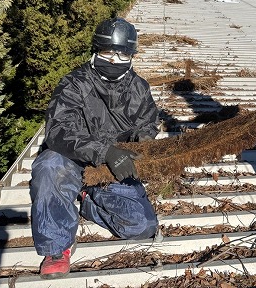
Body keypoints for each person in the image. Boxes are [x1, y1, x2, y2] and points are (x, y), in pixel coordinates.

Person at [30, 17, 161, 279]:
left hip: (112, 164)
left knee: (142, 226)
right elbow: (59, 131)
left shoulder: (139, 88)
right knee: (49, 166)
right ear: (95, 50)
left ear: (131, 54)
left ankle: (86, 202)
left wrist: (140, 146)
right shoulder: (74, 83)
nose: (113, 60)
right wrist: (105, 152)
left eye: (121, 53)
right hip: (73, 158)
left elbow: (148, 126)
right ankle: (57, 247)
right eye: (106, 52)